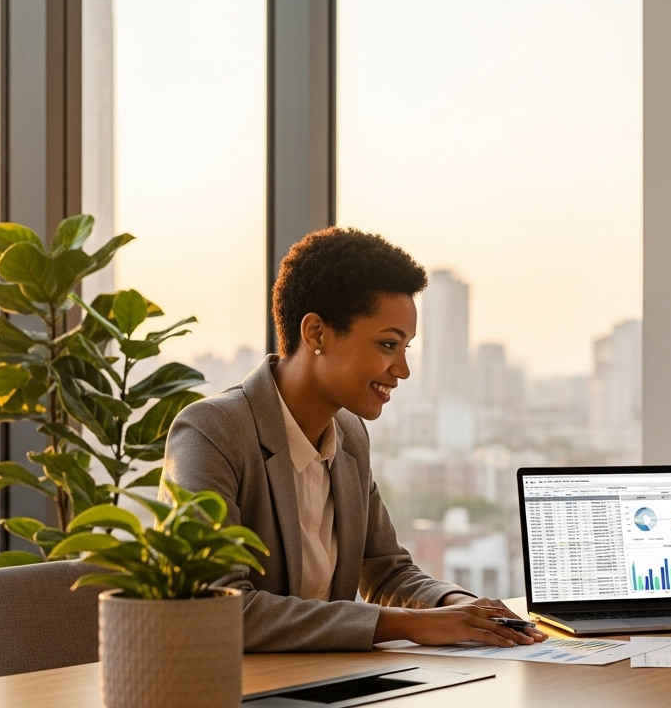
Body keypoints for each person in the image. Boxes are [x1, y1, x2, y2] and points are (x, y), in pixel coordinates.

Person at [164, 227, 546, 651]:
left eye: (406, 349)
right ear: (317, 334)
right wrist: (413, 625)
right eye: (387, 344)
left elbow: (386, 571)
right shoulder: (211, 432)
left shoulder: (348, 436)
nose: (402, 370)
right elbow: (216, 609)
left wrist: (462, 609)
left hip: (327, 681)